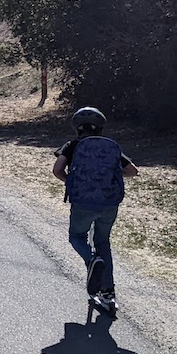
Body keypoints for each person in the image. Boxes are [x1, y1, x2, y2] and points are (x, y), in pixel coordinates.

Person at [52, 106, 139, 313]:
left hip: (82, 202)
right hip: (109, 203)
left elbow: (57, 170)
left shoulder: (72, 146)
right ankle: (108, 293)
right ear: (100, 128)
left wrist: (71, 182)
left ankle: (91, 260)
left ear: (77, 128)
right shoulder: (109, 147)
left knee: (76, 237)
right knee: (102, 241)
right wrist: (110, 178)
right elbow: (132, 171)